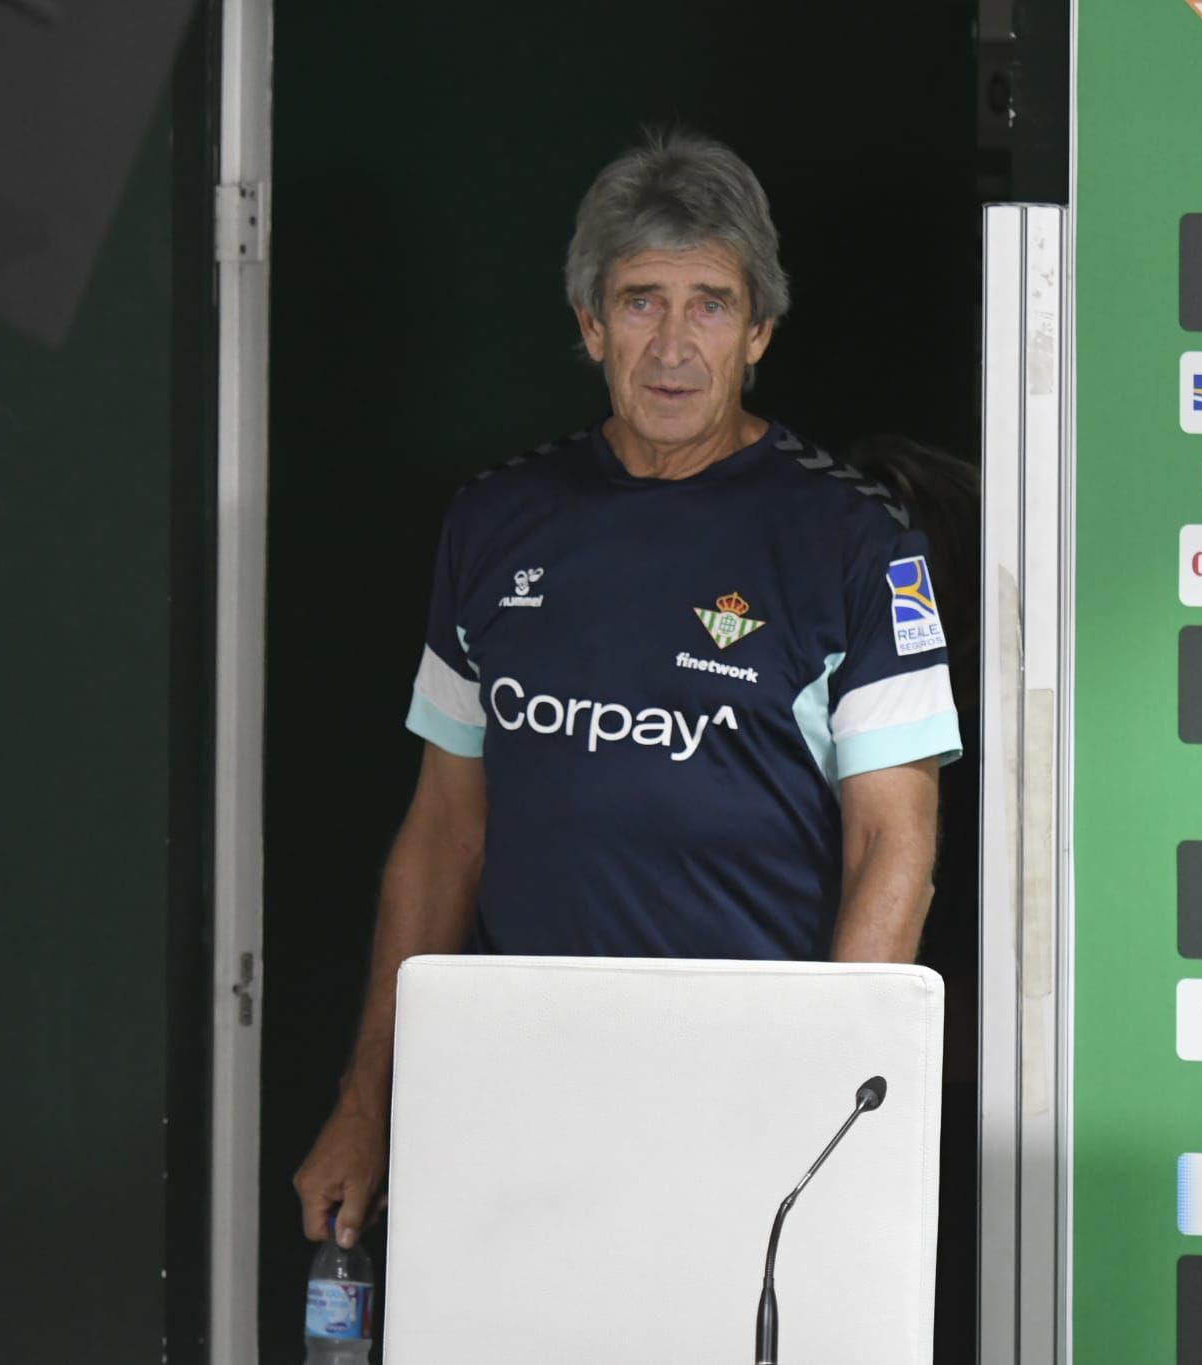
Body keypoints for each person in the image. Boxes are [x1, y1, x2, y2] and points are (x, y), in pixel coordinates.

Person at [293, 130, 964, 1249]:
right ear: (588, 324)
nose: (671, 344)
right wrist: (368, 1105)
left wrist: (826, 1114)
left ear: (757, 332)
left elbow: (892, 847)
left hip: (751, 1098)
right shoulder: (493, 521)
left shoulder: (855, 540)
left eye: (708, 304)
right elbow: (442, 837)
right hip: (516, 1093)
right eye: (639, 301)